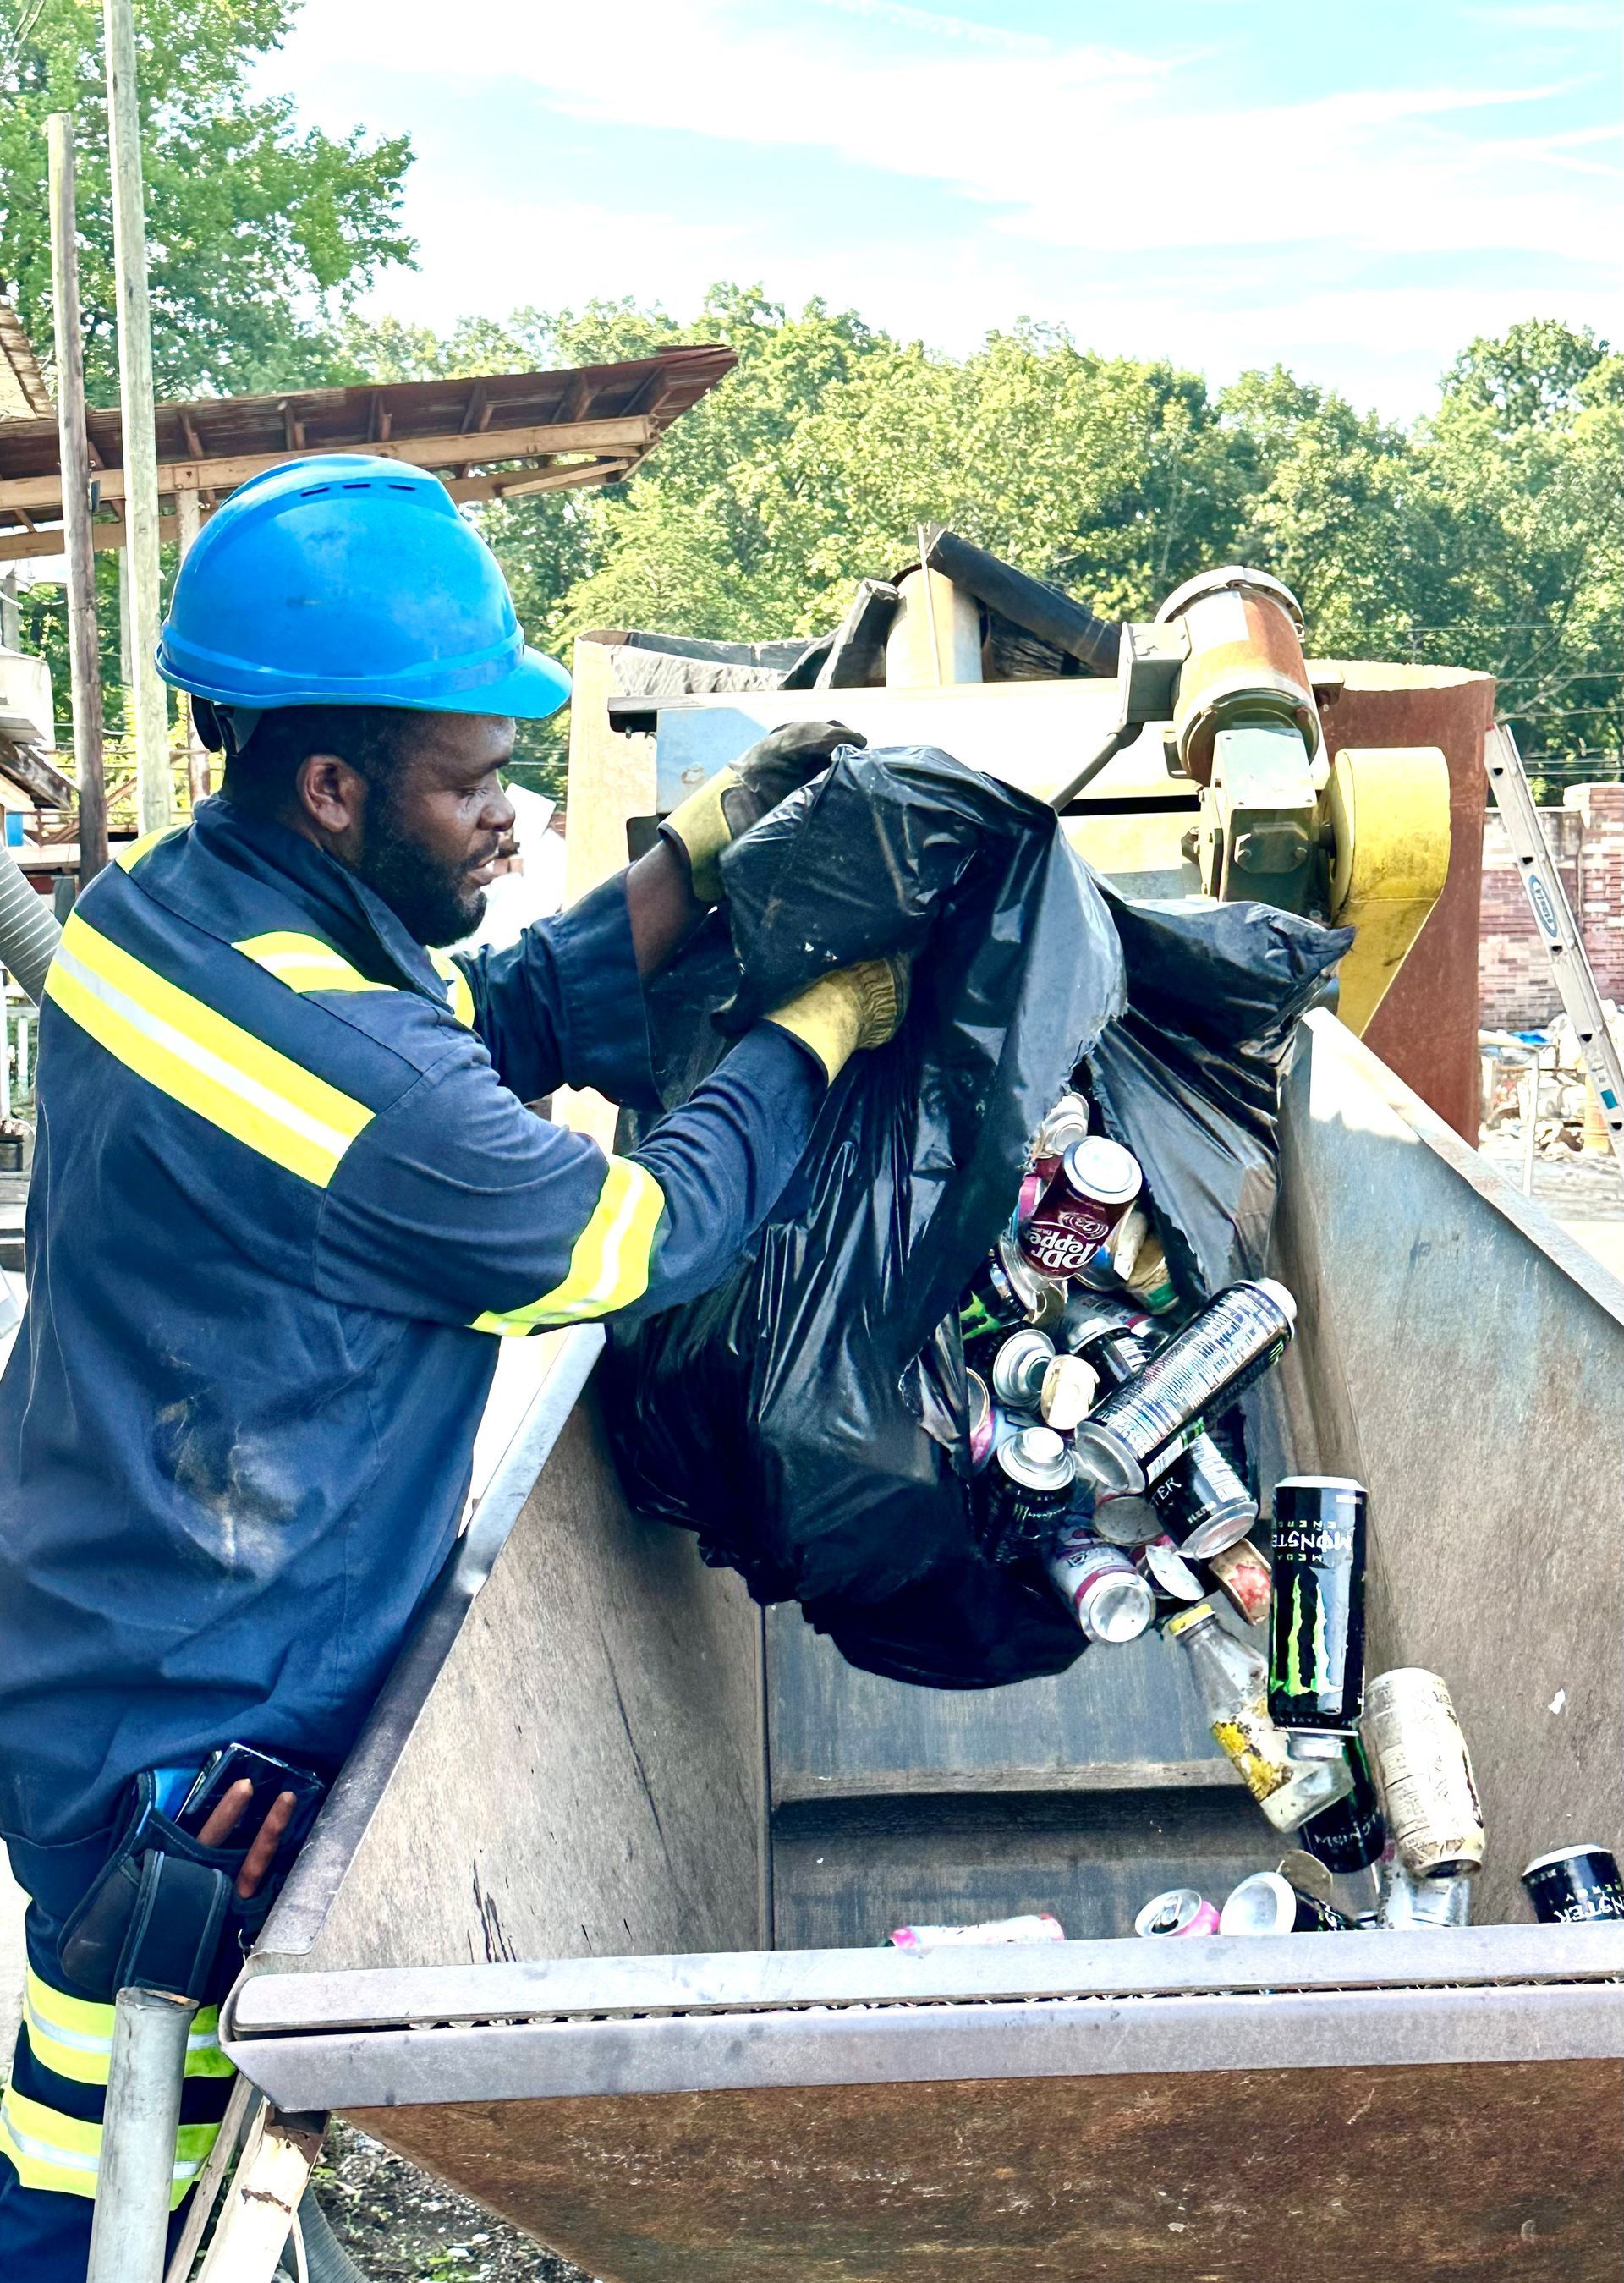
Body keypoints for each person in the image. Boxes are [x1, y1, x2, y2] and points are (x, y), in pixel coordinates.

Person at [0, 455, 906, 2277]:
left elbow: (468, 1027)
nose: (507, 818)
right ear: (333, 786)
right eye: (474, 783)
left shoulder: (179, 915)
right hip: (203, 1732)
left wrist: (697, 854)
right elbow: (621, 1238)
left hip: (107, 1633)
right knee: (117, 2158)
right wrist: (819, 1035)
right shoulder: (343, 1065)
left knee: (106, 2113)